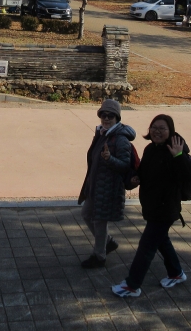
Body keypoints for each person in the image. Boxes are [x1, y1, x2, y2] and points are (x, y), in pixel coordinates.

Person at [111, 114, 191, 297]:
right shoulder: (150, 149)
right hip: (151, 206)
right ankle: (176, 273)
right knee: (161, 240)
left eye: (162, 128)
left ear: (170, 131)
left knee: (146, 246)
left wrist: (179, 156)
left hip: (166, 209)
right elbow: (143, 172)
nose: (157, 131)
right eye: (154, 128)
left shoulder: (176, 151)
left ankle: (132, 285)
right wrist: (135, 178)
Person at [78, 99, 137, 269]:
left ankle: (99, 256)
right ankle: (107, 242)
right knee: (86, 214)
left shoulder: (120, 139)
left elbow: (125, 165)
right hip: (95, 186)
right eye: (103, 115)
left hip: (108, 188)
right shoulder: (102, 133)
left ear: (117, 117)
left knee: (99, 221)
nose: (106, 118)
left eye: (110, 115)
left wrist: (109, 159)